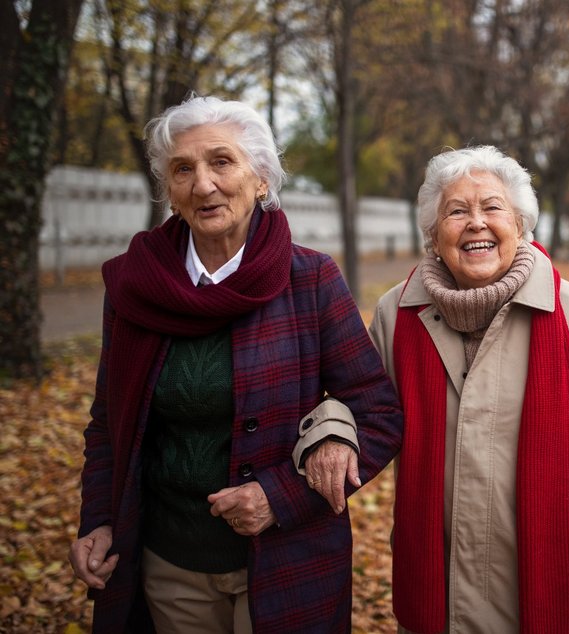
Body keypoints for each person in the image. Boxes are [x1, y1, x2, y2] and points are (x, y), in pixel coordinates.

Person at [68, 94, 403, 633]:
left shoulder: (309, 278)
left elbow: (379, 413)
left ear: (261, 179)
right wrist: (101, 519)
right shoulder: (134, 284)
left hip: (287, 560)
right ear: (169, 190)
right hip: (169, 560)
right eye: (183, 169)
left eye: (222, 162)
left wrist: (281, 496)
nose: (203, 185)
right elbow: (110, 420)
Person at [299, 146, 569, 633]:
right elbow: (360, 403)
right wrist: (331, 432)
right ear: (434, 235)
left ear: (520, 225)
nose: (476, 222)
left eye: (493, 207)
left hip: (534, 584)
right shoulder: (397, 315)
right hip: (431, 582)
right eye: (456, 211)